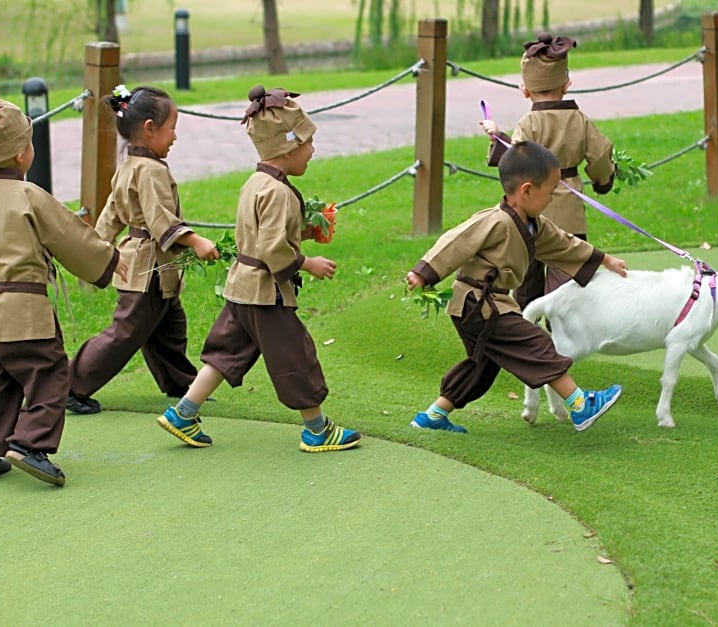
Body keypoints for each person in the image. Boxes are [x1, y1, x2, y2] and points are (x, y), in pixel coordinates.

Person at [156, 85, 362, 453]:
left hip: (241, 289)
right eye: (308, 143)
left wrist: (307, 231)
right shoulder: (279, 192)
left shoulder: (256, 183)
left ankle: (183, 413)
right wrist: (307, 263)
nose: (313, 150)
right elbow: (270, 247)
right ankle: (316, 429)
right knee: (296, 356)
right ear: (288, 147)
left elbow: (259, 234)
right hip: (266, 295)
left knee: (226, 354)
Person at [0, 85, 127, 485]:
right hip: (25, 312)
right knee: (49, 373)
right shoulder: (28, 195)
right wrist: (109, 260)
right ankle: (30, 444)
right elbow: (69, 236)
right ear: (22, 154)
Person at [406, 141, 627, 434]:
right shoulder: (494, 221)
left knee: (482, 366)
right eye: (550, 192)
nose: (552, 199)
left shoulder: (535, 225)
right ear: (527, 190)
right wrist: (423, 273)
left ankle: (432, 417)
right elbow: (455, 242)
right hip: (477, 304)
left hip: (491, 305)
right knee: (536, 343)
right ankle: (579, 404)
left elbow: (564, 245)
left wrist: (604, 259)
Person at [66, 85, 219, 415]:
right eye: (172, 128)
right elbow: (160, 218)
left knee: (168, 328)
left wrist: (97, 245)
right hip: (147, 270)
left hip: (155, 268)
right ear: (150, 128)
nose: (175, 137)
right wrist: (195, 241)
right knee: (126, 333)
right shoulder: (150, 171)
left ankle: (181, 383)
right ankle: (71, 385)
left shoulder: (129, 165)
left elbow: (111, 213)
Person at [480, 33, 617, 311]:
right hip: (569, 212)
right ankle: (562, 331)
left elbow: (517, 158)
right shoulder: (580, 120)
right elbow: (601, 155)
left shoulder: (529, 122)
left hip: (530, 212)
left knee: (526, 280)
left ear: (525, 90)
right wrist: (602, 181)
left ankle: (524, 326)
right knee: (565, 283)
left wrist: (500, 140)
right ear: (567, 85)